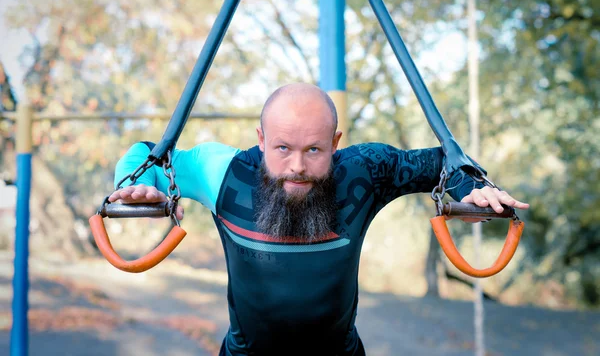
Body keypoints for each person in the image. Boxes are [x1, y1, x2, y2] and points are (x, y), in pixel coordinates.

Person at [108, 83, 529, 356]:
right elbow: (145, 154)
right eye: (282, 148)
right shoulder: (224, 172)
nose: (297, 166)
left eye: (314, 150)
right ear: (261, 140)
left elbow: (443, 162)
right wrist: (141, 187)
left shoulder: (364, 170)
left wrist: (472, 189)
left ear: (335, 143)